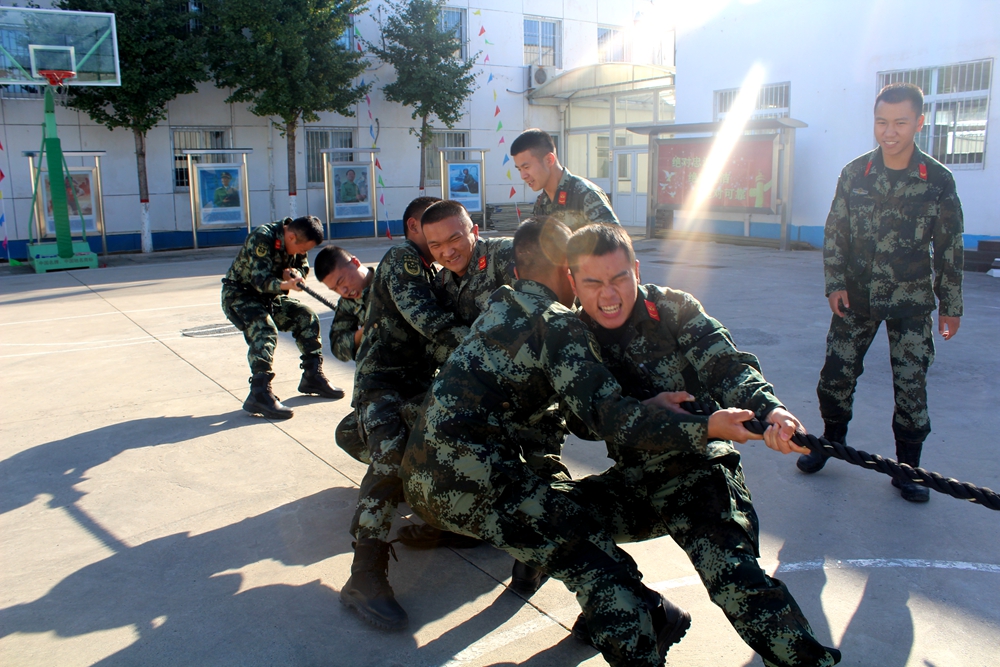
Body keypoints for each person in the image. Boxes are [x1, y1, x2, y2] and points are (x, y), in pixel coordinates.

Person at [402, 219, 732, 666]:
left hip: (425, 478)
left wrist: (636, 401)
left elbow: (571, 414)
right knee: (603, 573)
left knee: (573, 522)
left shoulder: (502, 305)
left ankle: (653, 613)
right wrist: (705, 427)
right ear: (566, 271)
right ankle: (644, 630)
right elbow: (609, 419)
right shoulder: (556, 325)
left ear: (517, 272)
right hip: (475, 482)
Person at [564, 222, 842, 667]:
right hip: (635, 481)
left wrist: (770, 411)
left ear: (636, 269)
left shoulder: (672, 309)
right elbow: (582, 423)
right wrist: (645, 408)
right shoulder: (570, 334)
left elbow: (727, 367)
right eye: (593, 282)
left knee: (734, 579)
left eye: (619, 278)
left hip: (699, 469)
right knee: (549, 517)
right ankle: (632, 608)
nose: (609, 294)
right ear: (574, 281)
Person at [800, 82, 964, 504]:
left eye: (900, 123)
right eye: (881, 122)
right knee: (835, 377)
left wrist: (951, 306)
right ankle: (831, 443)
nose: (889, 132)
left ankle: (907, 470)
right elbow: (835, 231)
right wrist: (834, 283)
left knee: (911, 386)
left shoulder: (938, 181)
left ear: (919, 123)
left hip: (911, 302)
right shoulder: (855, 174)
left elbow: (949, 247)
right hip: (856, 295)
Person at [340, 196, 477, 633]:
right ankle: (364, 574)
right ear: (417, 228)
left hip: (420, 384)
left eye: (451, 237)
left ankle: (456, 523)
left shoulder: (438, 273)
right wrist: (487, 347)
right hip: (384, 383)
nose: (442, 246)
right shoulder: (402, 260)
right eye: (433, 237)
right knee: (391, 455)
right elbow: (428, 321)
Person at [221, 216, 344, 420]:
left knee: (306, 316)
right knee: (265, 330)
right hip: (241, 296)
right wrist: (286, 285)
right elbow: (259, 281)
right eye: (303, 248)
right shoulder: (262, 238)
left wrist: (295, 274)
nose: (303, 253)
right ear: (292, 237)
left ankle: (312, 376)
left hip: (270, 297)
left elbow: (302, 267)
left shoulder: (295, 243)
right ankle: (259, 392)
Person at [510, 128, 619, 231]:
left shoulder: (586, 195)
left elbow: (616, 245)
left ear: (549, 160)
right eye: (519, 169)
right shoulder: (541, 203)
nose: (523, 176)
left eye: (526, 167)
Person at [314, 245, 374, 363]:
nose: (343, 291)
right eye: (335, 289)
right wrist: (366, 329)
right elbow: (337, 347)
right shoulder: (347, 302)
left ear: (355, 262)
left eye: (341, 281)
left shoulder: (390, 281)